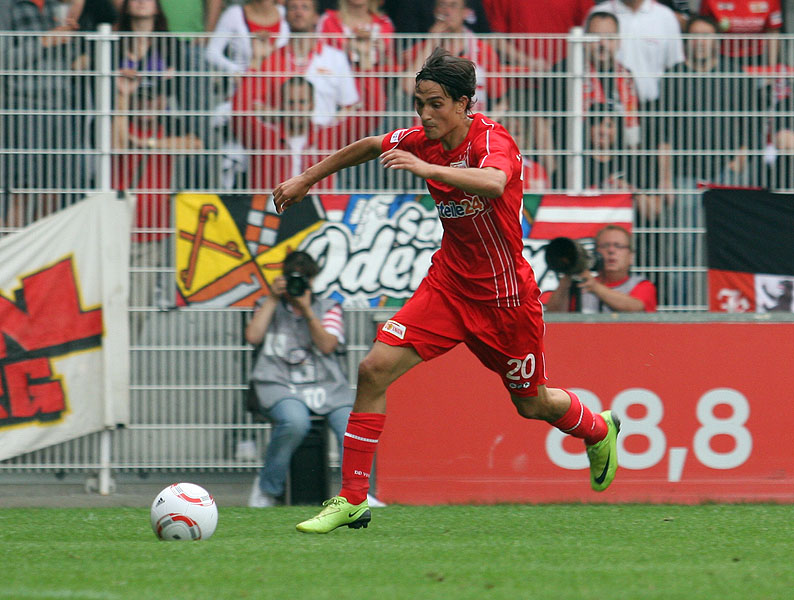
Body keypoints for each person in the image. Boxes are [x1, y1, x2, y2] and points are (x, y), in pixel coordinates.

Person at [273, 47, 621, 534]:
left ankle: (599, 428)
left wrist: (427, 171)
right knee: (372, 369)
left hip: (504, 300)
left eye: (435, 104)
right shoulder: (422, 139)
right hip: (449, 286)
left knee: (532, 404)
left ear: (463, 103)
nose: (425, 114)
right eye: (419, 104)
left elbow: (494, 182)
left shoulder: (492, 140)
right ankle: (352, 499)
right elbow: (371, 144)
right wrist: (305, 179)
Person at [245, 251, 354, 508]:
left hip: (327, 387)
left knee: (352, 428)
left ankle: (357, 493)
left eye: (304, 280)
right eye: (293, 279)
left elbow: (327, 345)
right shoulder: (267, 304)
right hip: (279, 383)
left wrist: (306, 310)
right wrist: (273, 298)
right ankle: (267, 489)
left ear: (312, 280)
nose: (298, 285)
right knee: (295, 422)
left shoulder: (328, 308)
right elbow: (252, 337)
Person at [534, 10, 640, 183]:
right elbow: (541, 122)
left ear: (619, 42)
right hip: (571, 170)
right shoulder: (563, 72)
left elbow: (632, 127)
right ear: (584, 39)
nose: (602, 44)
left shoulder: (626, 77)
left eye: (609, 38)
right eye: (595, 37)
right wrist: (553, 168)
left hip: (617, 174)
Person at [233, 0, 360, 128]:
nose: (299, 13)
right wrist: (281, 117)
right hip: (281, 137)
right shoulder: (272, 58)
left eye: (305, 8)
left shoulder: (335, 58)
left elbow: (349, 105)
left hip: (324, 137)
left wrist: (327, 131)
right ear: (285, 17)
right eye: (293, 8)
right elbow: (253, 104)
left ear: (316, 17)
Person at [401, 0, 508, 115]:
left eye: (453, 5)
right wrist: (431, 41)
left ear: (465, 12)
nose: (446, 11)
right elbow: (408, 87)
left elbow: (501, 102)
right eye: (442, 5)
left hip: (470, 122)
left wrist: (486, 123)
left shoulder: (484, 50)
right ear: (435, 11)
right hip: (430, 123)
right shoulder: (420, 50)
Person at [543, 225, 657, 313]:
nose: (611, 251)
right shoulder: (581, 285)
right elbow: (554, 316)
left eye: (618, 246)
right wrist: (568, 276)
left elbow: (636, 308)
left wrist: (595, 287)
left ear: (631, 256)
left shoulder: (642, 285)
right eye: (605, 246)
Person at [590, 0, 684, 105]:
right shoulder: (598, 12)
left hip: (654, 105)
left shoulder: (666, 16)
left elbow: (675, 66)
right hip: (610, 105)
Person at [205, 0, 289, 75]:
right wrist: (237, 71)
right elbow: (211, 53)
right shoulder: (234, 14)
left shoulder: (286, 13)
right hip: (243, 84)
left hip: (282, 85)